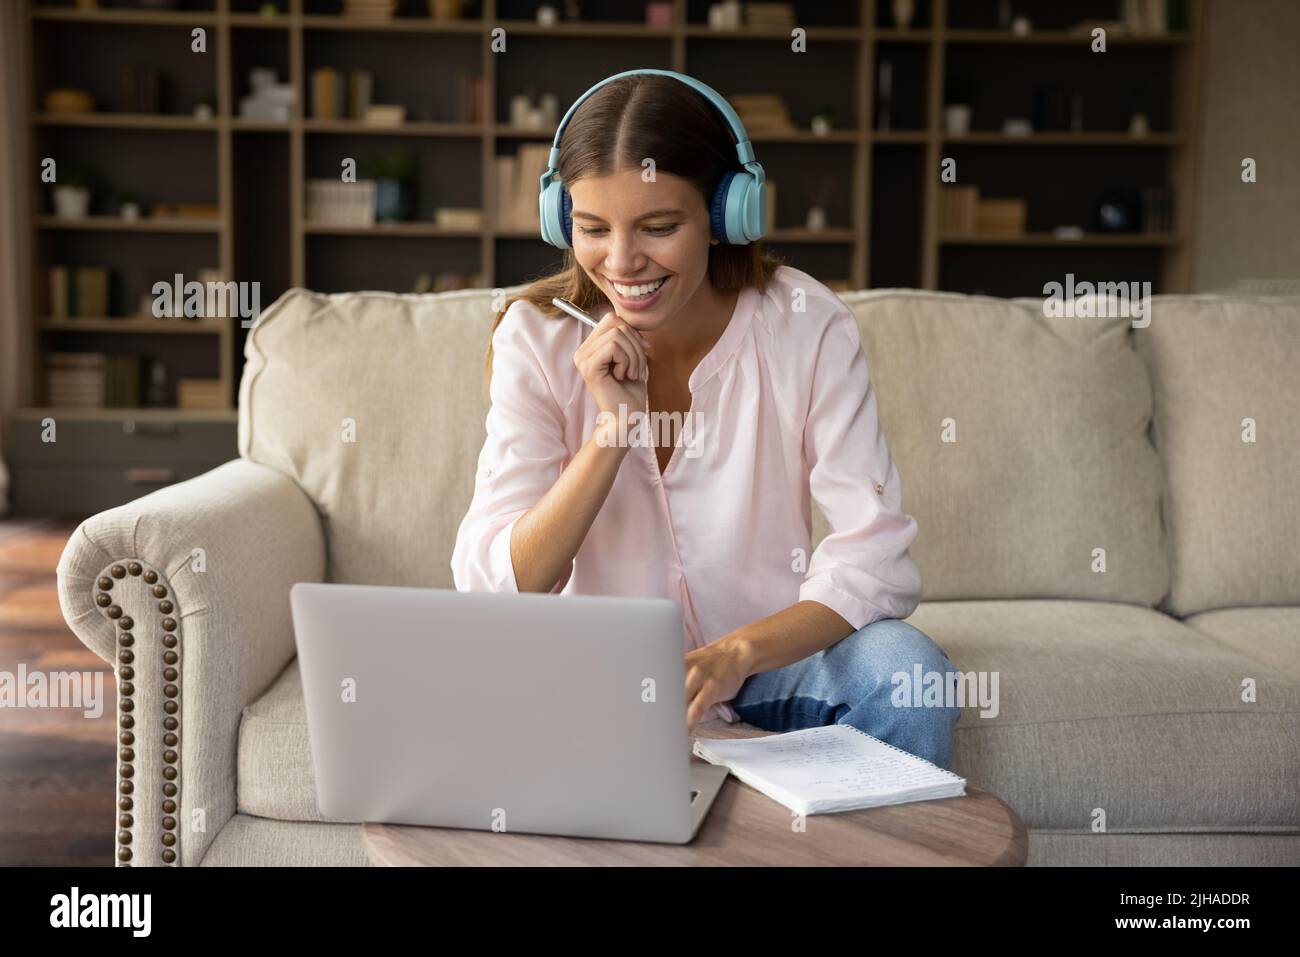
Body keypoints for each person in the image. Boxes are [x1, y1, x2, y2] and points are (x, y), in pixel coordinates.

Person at [451, 70, 961, 769]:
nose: (623, 262)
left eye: (659, 227)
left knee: (911, 676)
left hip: (764, 669)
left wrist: (737, 652)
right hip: (595, 679)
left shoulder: (805, 324)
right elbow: (497, 585)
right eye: (593, 229)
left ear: (728, 214)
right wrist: (611, 434)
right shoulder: (533, 339)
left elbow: (873, 554)